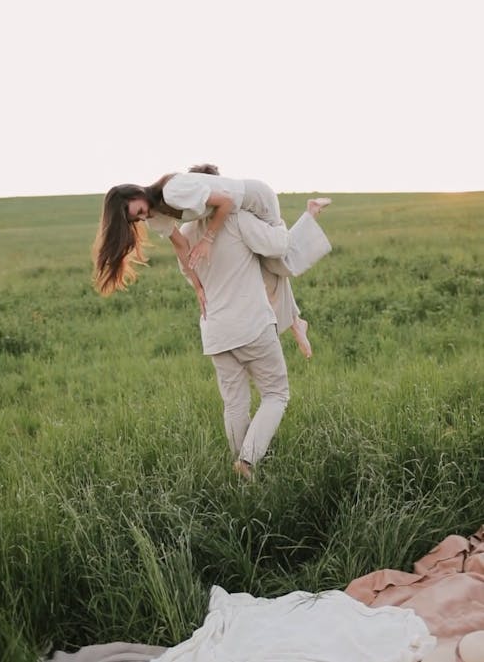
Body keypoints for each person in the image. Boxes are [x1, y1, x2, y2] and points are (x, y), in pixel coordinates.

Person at [92, 166, 332, 358]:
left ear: (132, 193)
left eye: (136, 211)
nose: (141, 217)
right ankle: (295, 322)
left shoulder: (172, 191)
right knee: (265, 265)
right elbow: (181, 246)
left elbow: (226, 201)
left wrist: (208, 238)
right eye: (136, 219)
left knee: (279, 250)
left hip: (254, 199)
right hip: (234, 210)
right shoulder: (155, 217)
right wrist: (198, 286)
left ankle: (309, 213)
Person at [175, 198, 331, 480]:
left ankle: (241, 471)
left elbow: (191, 275)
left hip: (215, 331)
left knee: (234, 404)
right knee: (276, 394)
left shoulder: (186, 232)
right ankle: (247, 460)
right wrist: (278, 222)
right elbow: (279, 247)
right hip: (250, 325)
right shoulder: (236, 219)